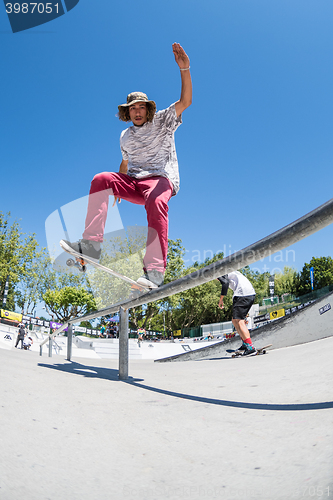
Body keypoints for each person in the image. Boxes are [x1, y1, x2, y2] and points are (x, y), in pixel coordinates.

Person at [61, 42, 192, 289]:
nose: (137, 112)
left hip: (160, 180)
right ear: (127, 113)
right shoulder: (125, 136)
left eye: (141, 107)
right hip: (134, 182)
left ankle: (154, 271)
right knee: (101, 179)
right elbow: (124, 162)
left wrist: (185, 69)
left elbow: (186, 101)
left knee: (156, 201)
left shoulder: (163, 120)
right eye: (133, 109)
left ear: (148, 109)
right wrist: (116, 187)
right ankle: (90, 246)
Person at [217, 272, 257, 356]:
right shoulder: (230, 270)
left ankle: (250, 348)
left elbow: (225, 283)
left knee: (239, 321)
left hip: (242, 294)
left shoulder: (217, 272)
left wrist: (221, 299)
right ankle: (245, 343)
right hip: (248, 294)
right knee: (235, 320)